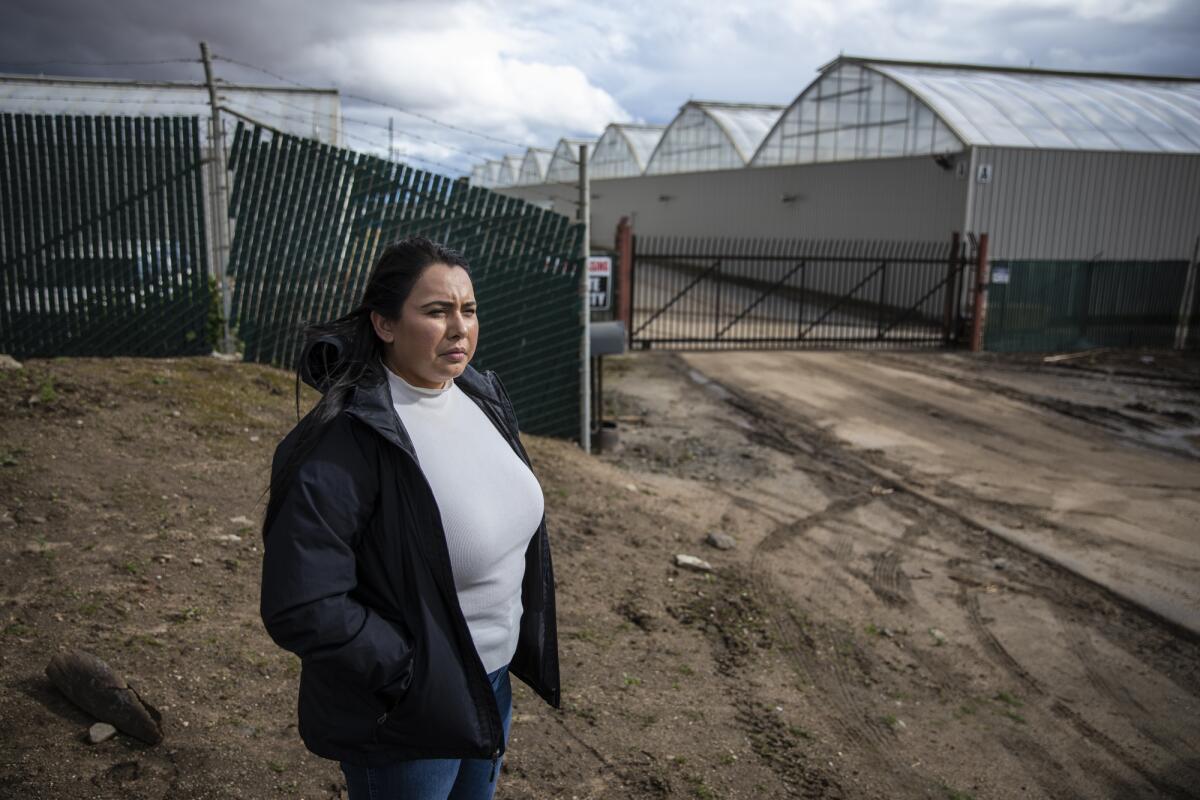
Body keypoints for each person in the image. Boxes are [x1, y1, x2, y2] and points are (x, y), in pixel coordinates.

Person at [259, 236, 560, 800]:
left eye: (468, 310)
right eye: (436, 311)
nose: (460, 328)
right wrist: (412, 673)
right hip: (408, 714)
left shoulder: (477, 393)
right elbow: (303, 603)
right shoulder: (343, 438)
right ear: (385, 324)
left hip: (488, 687)